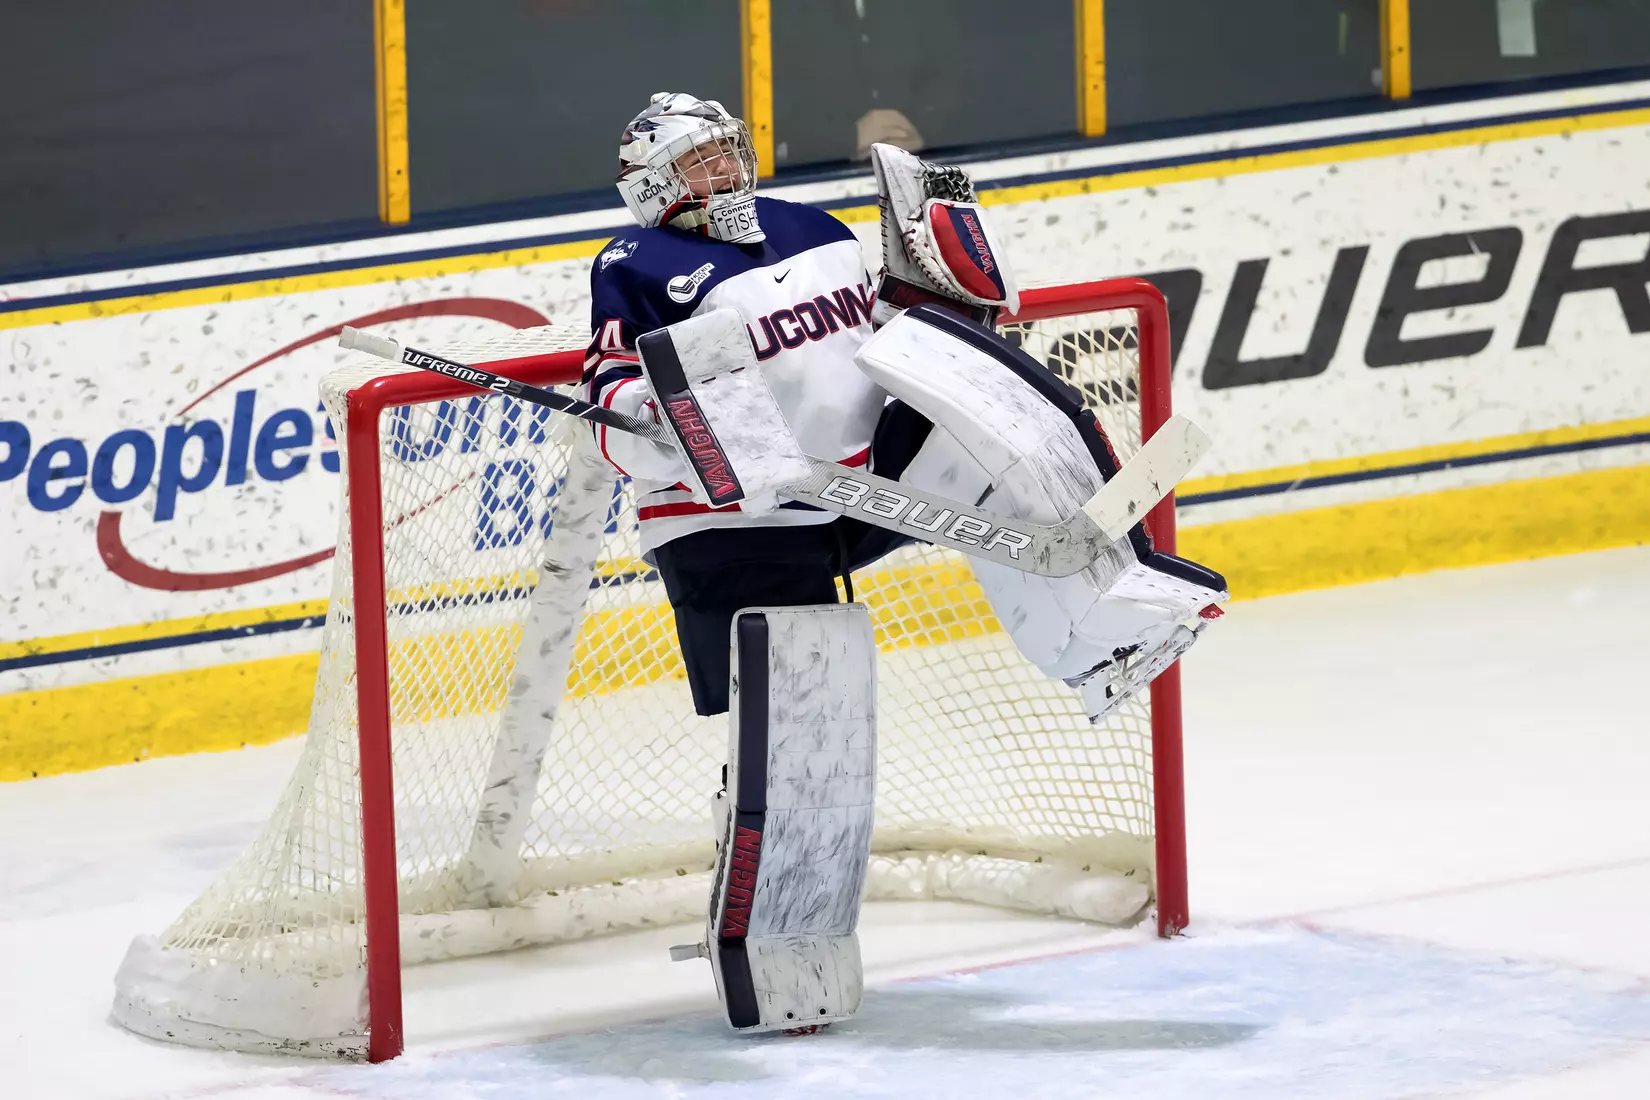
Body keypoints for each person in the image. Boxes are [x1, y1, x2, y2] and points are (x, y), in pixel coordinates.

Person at [585, 92, 1226, 722]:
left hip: (859, 482)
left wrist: (936, 300)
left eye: (730, 150)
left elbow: (877, 335)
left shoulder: (808, 226)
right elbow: (610, 404)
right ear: (652, 183)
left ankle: (1097, 644)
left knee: (991, 421)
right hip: (738, 525)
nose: (727, 168)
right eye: (702, 159)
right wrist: (669, 420)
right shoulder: (635, 268)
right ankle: (770, 828)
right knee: (801, 719)